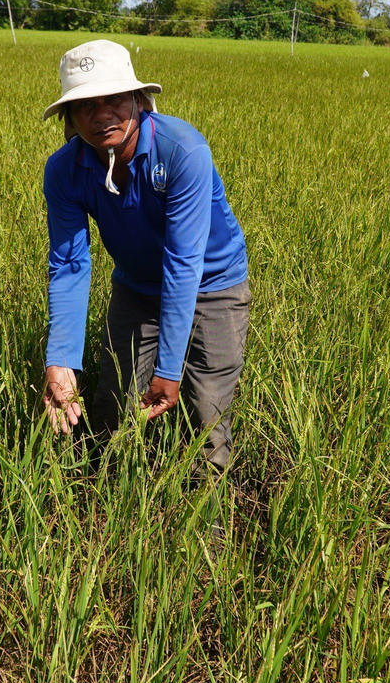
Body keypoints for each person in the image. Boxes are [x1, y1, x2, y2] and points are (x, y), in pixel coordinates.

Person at [40, 39, 250, 476]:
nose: (101, 116)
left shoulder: (182, 151)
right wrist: (59, 362)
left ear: (138, 100)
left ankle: (203, 515)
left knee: (205, 408)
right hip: (136, 285)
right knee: (114, 405)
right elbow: (70, 265)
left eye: (113, 99)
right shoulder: (65, 170)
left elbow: (183, 264)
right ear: (68, 118)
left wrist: (169, 370)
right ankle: (105, 501)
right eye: (84, 106)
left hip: (213, 284)